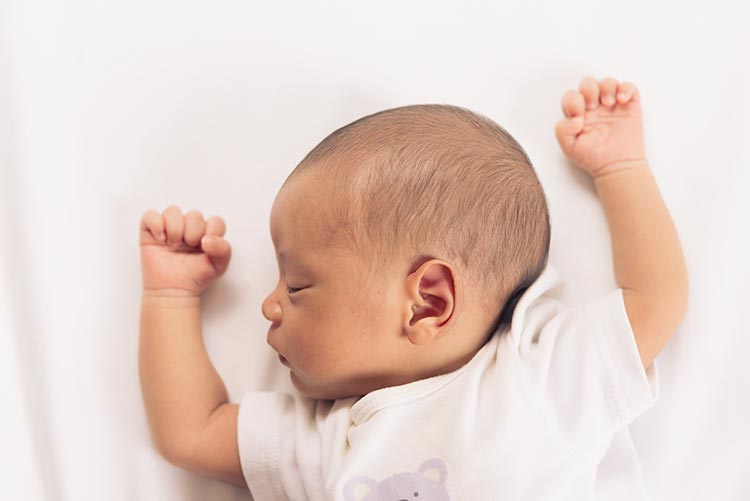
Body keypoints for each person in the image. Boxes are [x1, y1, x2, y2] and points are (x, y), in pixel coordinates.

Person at [138, 76, 688, 500]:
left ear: (428, 302)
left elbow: (654, 299)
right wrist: (170, 297)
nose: (269, 304)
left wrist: (621, 169)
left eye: (299, 285)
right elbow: (193, 432)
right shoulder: (328, 439)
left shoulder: (537, 377)